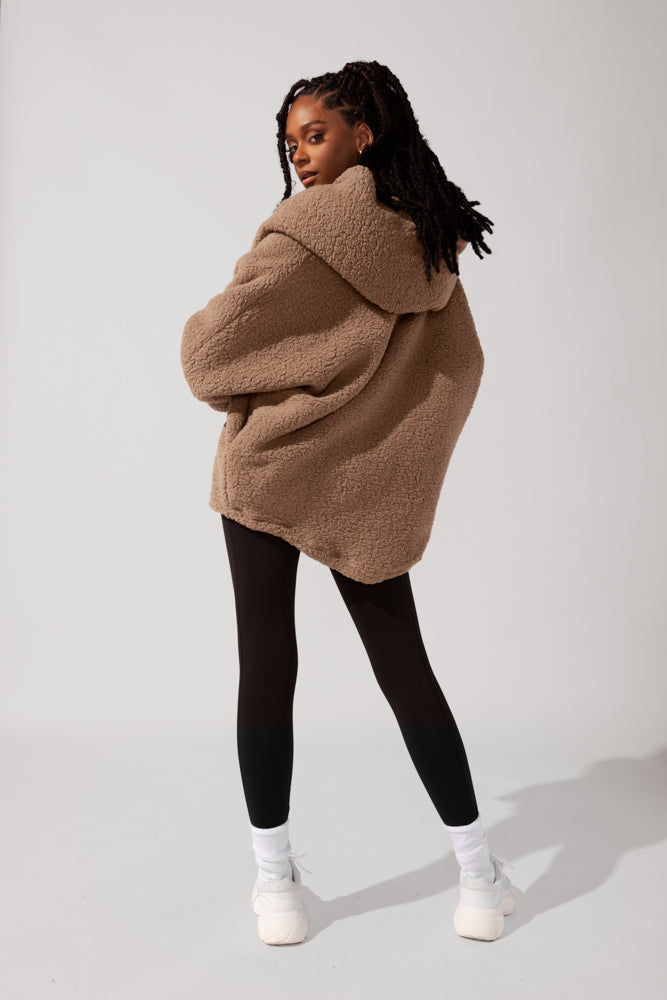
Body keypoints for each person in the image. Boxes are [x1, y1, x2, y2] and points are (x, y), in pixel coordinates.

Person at [180, 59, 515, 945]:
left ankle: (275, 890)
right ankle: (478, 880)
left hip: (267, 474)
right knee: (405, 669)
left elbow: (206, 358)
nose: (298, 154)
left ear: (363, 134)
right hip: (362, 493)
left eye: (315, 135)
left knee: (266, 663)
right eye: (289, 141)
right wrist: (378, 453)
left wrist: (285, 393)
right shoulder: (430, 238)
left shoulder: (302, 233)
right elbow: (459, 368)